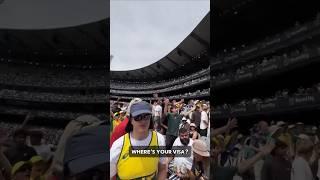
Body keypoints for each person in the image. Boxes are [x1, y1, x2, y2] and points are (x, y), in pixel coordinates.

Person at [110, 101, 167, 180]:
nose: (143, 121)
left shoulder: (159, 139)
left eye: (146, 116)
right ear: (131, 120)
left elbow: (162, 168)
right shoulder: (118, 145)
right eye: (138, 117)